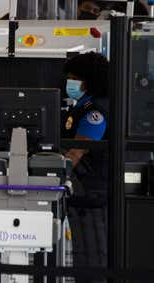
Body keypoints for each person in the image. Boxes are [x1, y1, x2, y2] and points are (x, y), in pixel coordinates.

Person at [61, 52, 109, 275]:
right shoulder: (85, 104)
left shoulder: (95, 111)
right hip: (86, 191)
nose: (69, 82)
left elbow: (77, 152)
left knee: (92, 254)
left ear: (88, 79)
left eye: (74, 77)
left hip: (91, 194)